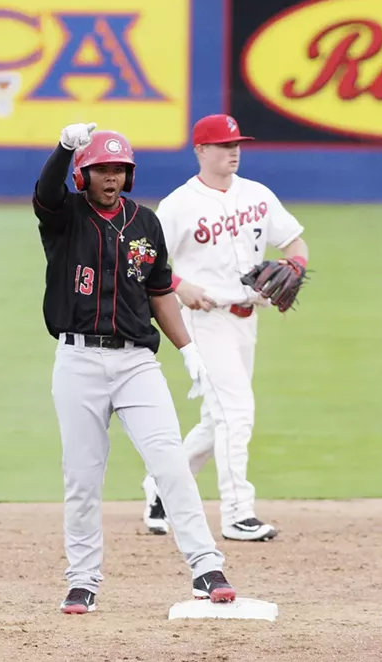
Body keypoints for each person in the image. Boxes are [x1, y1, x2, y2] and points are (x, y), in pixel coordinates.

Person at [32, 121, 236, 614]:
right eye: (102, 168)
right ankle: (82, 581)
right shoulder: (66, 216)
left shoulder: (146, 223)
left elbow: (160, 291)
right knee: (82, 475)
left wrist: (188, 350)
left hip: (136, 363)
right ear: (83, 174)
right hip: (78, 360)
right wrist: (64, 148)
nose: (112, 177)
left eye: (120, 169)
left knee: (169, 462)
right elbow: (44, 194)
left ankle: (207, 567)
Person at [142, 114, 309, 542]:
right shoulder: (180, 204)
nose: (232, 151)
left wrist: (296, 265)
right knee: (236, 413)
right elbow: (145, 261)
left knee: (219, 420)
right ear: (200, 150)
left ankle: (161, 486)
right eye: (222, 145)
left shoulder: (257, 194)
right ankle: (237, 513)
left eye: (236, 143)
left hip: (246, 320)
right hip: (204, 320)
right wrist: (179, 286)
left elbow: (294, 241)